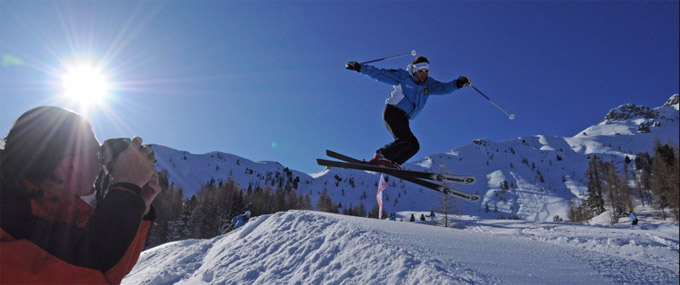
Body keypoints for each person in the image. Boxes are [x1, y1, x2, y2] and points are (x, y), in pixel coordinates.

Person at [0, 106, 161, 284]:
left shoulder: (57, 207)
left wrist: (139, 206)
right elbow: (92, 269)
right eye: (96, 153)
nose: (101, 164)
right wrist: (127, 187)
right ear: (70, 164)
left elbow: (113, 268)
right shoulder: (8, 216)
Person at [346, 56, 471, 168]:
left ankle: (392, 163)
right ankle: (381, 156)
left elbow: (444, 88)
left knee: (414, 146)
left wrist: (458, 83)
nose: (423, 74)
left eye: (426, 71)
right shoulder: (404, 76)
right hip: (393, 111)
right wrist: (360, 68)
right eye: (420, 71)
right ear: (414, 70)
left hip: (404, 117)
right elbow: (380, 74)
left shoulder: (429, 84)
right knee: (404, 140)